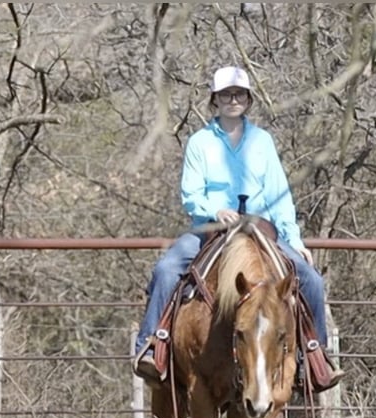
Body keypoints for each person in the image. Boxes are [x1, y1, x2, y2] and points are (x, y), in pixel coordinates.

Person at [133, 65, 345, 387]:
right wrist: (215, 210)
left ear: (248, 100)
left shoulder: (262, 142)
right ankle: (153, 346)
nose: (233, 99)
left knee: (311, 279)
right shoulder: (199, 143)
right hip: (211, 229)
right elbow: (190, 195)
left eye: (240, 94)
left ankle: (314, 356)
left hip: (260, 230)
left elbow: (279, 194)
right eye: (226, 94)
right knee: (166, 269)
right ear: (214, 100)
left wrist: (295, 238)